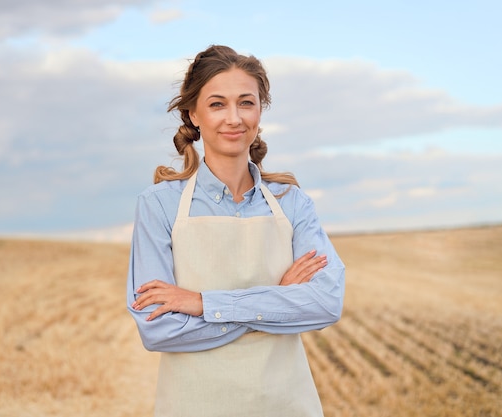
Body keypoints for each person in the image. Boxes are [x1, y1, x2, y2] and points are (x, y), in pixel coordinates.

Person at [126, 45, 345, 417]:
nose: (234, 118)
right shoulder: (158, 205)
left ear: (260, 111)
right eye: (217, 104)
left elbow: (325, 303)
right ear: (193, 114)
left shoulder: (292, 202)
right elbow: (158, 329)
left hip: (287, 405)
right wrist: (277, 301)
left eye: (246, 102)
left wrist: (202, 304)